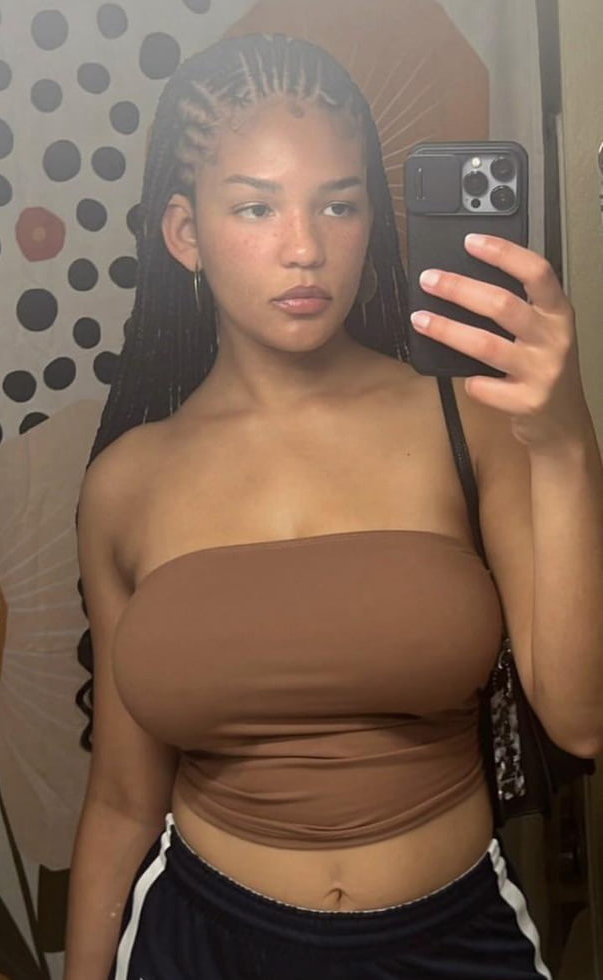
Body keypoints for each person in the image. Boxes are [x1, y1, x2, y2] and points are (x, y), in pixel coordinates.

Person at [64, 32, 603, 980]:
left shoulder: (468, 419)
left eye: (339, 205)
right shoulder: (125, 485)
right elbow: (120, 799)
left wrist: (563, 440)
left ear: (372, 221)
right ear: (185, 233)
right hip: (195, 946)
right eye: (256, 206)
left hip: (457, 943)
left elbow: (581, 718)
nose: (305, 248)